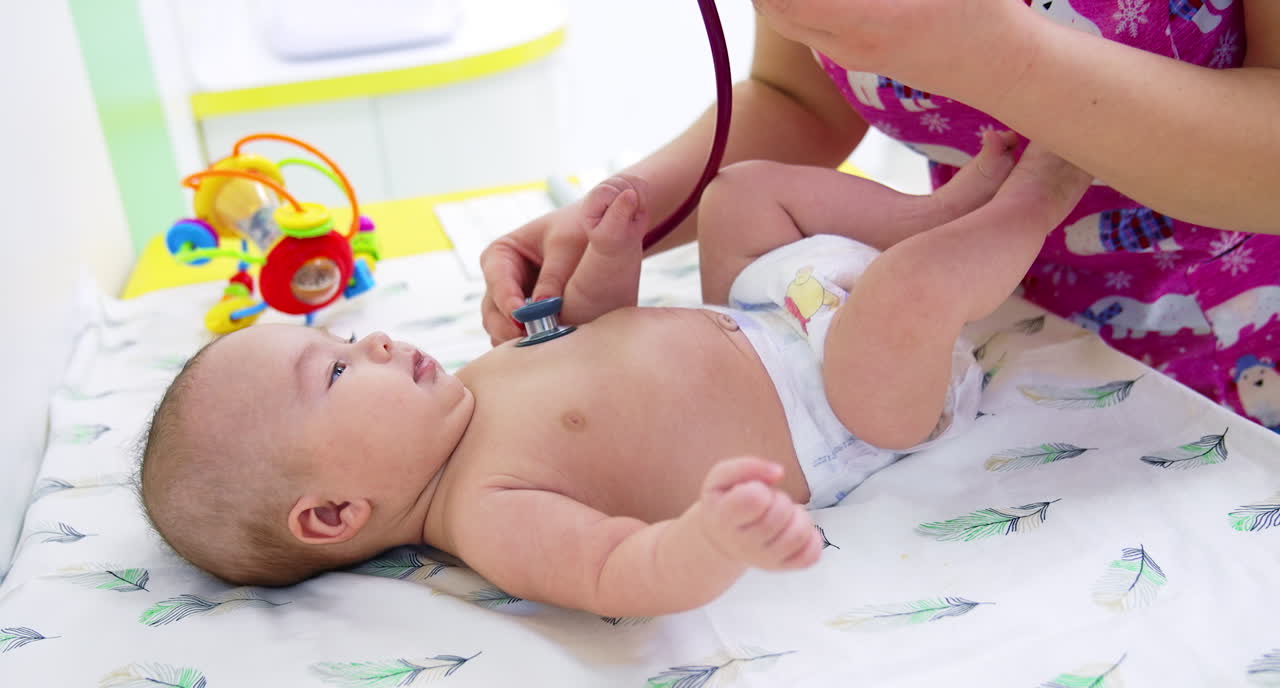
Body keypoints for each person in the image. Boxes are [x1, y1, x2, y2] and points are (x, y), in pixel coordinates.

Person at [139, 139, 1091, 616]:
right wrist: (714, 537)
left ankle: (935, 211)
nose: (378, 345)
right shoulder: (490, 510)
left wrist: (608, 261)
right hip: (841, 405)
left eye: (349, 338)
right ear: (335, 514)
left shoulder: (472, 384)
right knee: (906, 297)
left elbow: (592, 336)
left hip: (762, 313)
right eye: (341, 375)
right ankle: (1049, 189)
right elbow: (617, 577)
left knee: (743, 191)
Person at [481, 2, 1280, 432]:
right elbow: (803, 98)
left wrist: (1002, 54)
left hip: (1235, 367)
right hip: (983, 360)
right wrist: (624, 208)